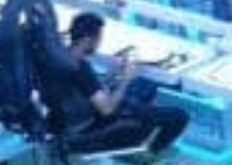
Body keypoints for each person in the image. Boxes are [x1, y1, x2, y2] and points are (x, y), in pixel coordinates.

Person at [50, 13, 189, 157]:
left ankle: (142, 122)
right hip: (87, 129)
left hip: (74, 117)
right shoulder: (80, 68)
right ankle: (148, 154)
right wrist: (125, 79)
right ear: (87, 40)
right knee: (179, 116)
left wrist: (113, 74)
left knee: (146, 86)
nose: (99, 44)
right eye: (98, 39)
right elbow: (107, 109)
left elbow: (85, 88)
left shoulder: (62, 58)